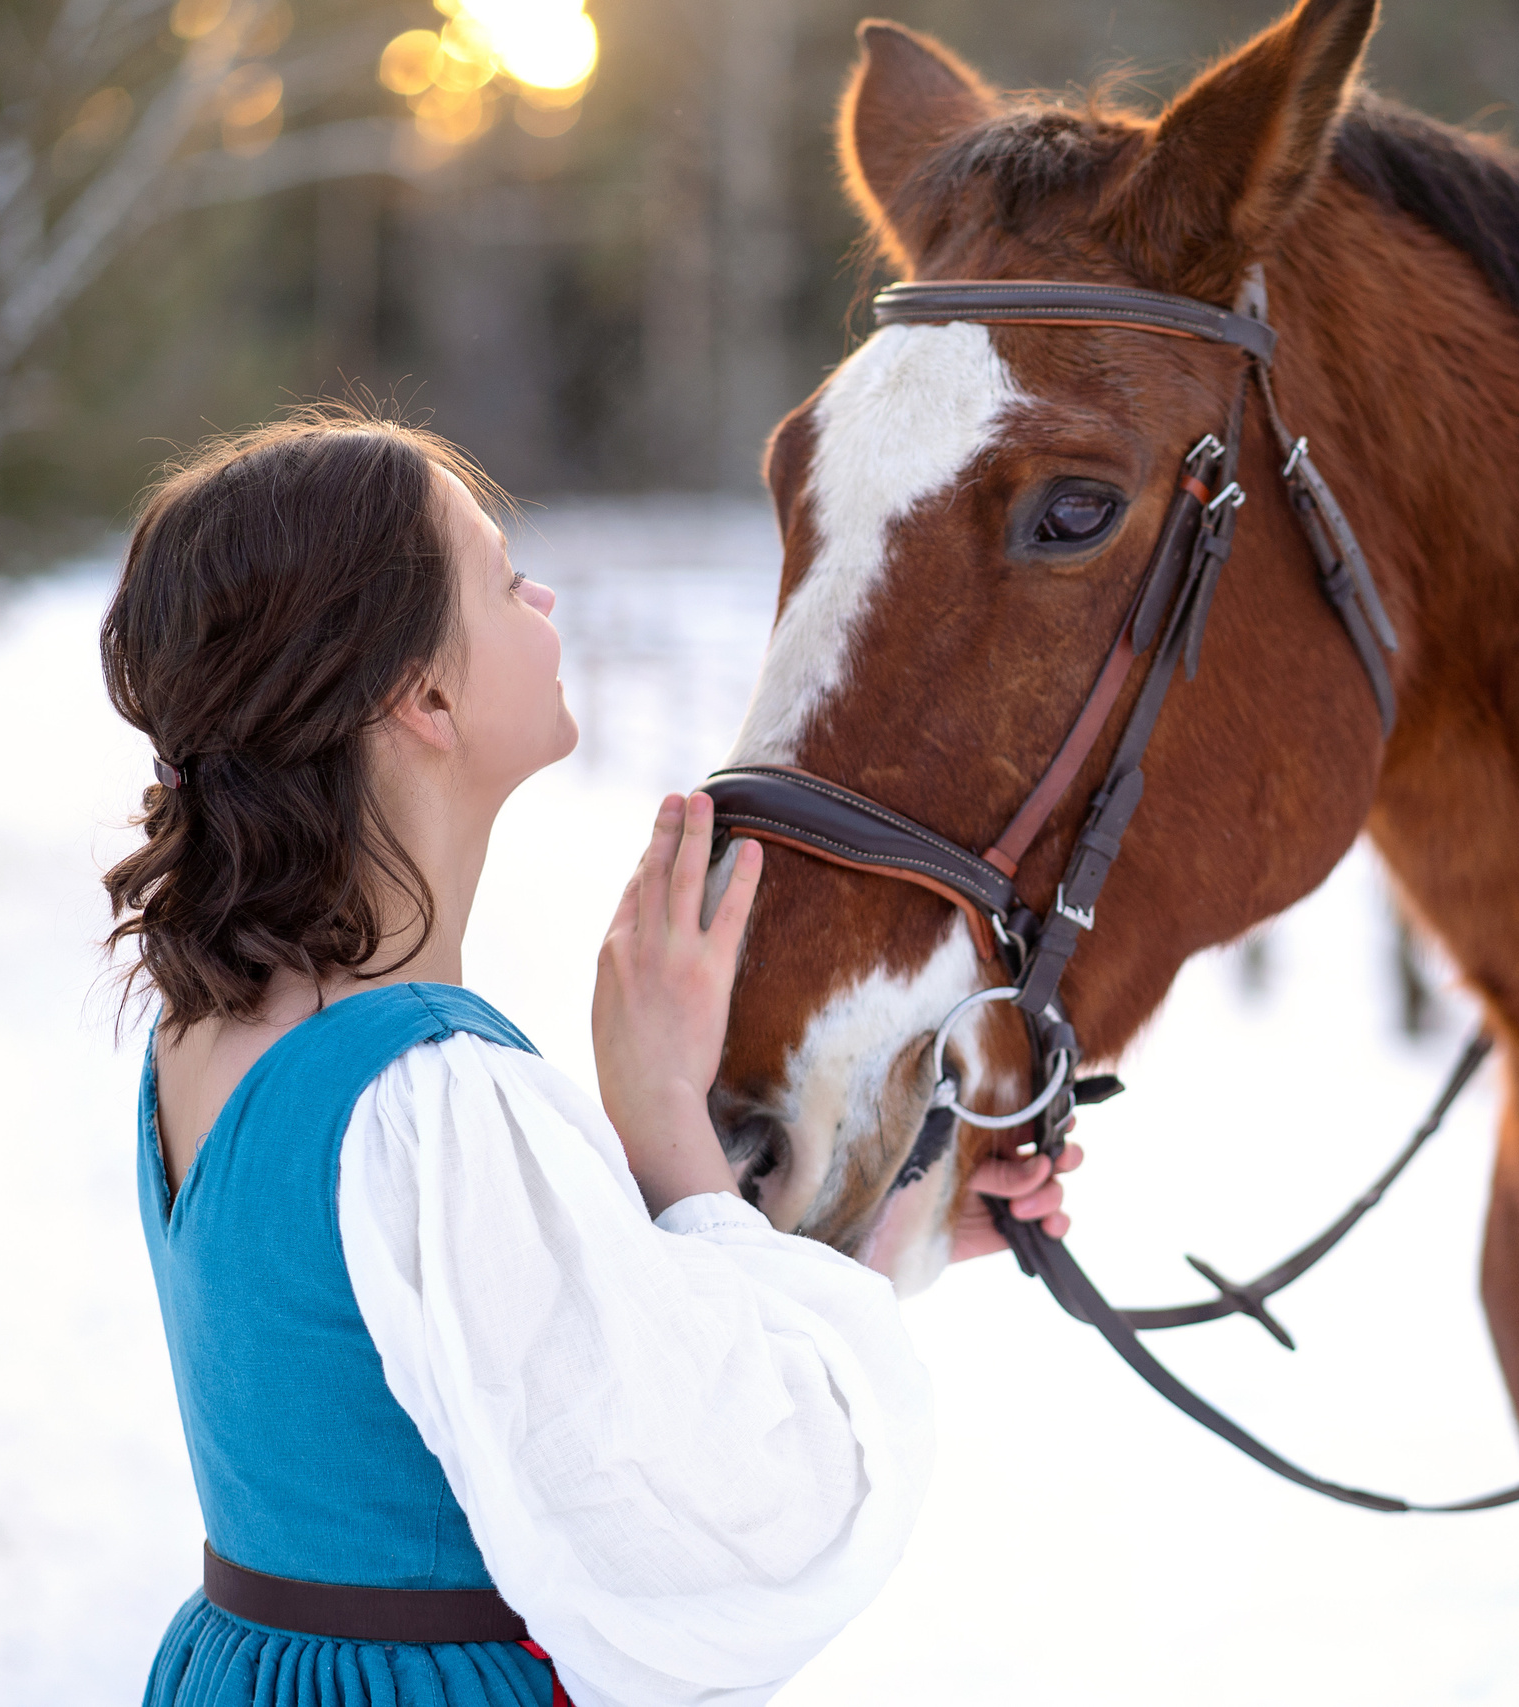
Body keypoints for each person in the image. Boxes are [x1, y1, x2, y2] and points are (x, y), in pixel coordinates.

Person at [98, 409, 1078, 1707]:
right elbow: (745, 1517)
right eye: (506, 580)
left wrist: (863, 1243)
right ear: (423, 697)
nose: (545, 599)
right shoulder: (427, 1098)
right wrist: (662, 1104)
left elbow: (529, 1372)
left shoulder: (209, 1038)